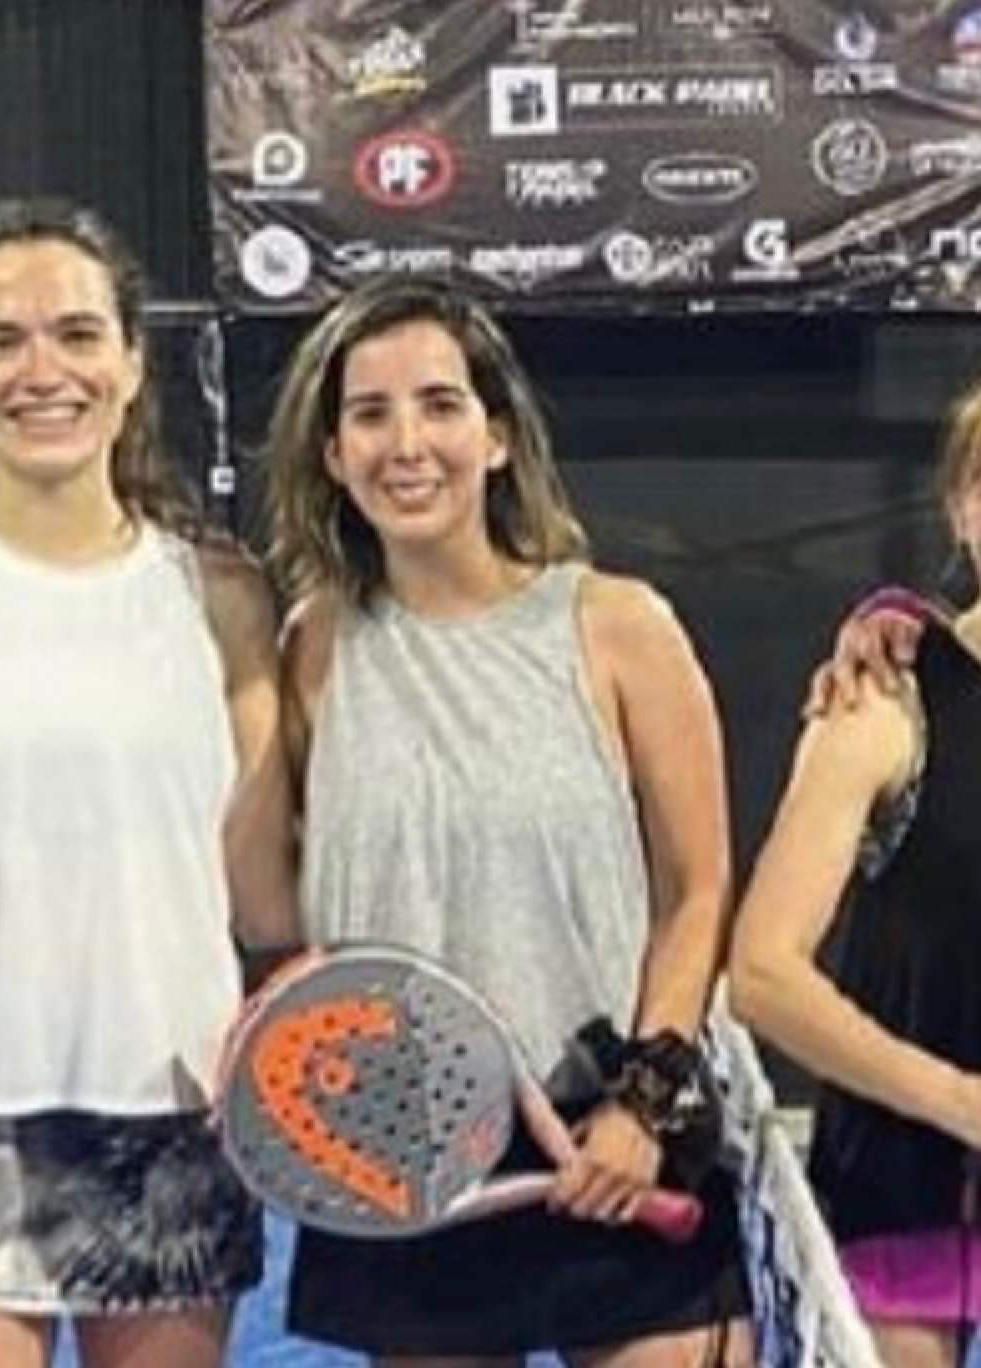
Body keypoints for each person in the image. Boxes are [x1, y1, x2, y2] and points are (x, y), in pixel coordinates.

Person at [269, 274, 754, 1368]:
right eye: (370, 414)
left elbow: (696, 892)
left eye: (439, 405)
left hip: (618, 1140)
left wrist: (641, 1106)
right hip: (403, 1158)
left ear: (494, 438)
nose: (407, 444)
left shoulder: (618, 626)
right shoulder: (310, 646)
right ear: (333, 456)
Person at [0, 196, 299, 1368]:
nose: (41, 371)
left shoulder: (220, 599)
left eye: (76, 334)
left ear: (128, 365)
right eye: (0, 340)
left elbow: (260, 897)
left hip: (174, 1112)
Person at [729, 377, 981, 1367]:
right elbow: (761, 974)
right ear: (959, 505)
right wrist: (958, 1101)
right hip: (904, 1190)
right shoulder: (881, 704)